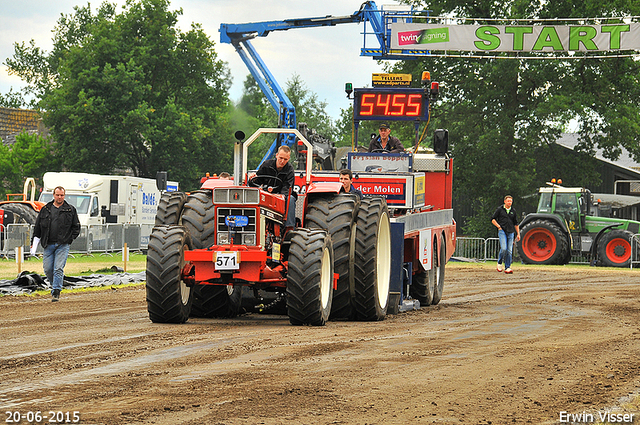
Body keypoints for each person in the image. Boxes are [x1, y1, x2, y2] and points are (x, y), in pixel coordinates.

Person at [31, 186, 81, 301]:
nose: (60, 197)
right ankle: (56, 285)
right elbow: (38, 227)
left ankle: (56, 291)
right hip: (48, 244)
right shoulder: (46, 209)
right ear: (53, 195)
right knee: (48, 269)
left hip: (63, 244)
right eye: (57, 195)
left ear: (64, 195)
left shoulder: (70, 210)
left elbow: (76, 227)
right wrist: (33, 242)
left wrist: (70, 239)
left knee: (58, 268)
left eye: (62, 195)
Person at [252, 145, 297, 229]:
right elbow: (257, 182)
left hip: (281, 195)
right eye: (281, 158)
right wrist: (252, 180)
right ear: (276, 155)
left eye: (285, 159)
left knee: (291, 198)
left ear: (289, 159)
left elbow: (287, 187)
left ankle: (289, 227)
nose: (282, 161)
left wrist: (280, 196)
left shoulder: (290, 170)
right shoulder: (267, 165)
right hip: (266, 193)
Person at [491, 195, 521, 274]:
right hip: (502, 231)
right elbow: (493, 219)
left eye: (511, 201)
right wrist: (498, 226)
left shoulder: (513, 211)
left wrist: (518, 234)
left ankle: (507, 267)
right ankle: (500, 262)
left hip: (511, 232)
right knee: (504, 248)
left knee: (509, 250)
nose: (509, 202)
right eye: (508, 201)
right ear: (505, 201)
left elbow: (516, 223)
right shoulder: (500, 210)